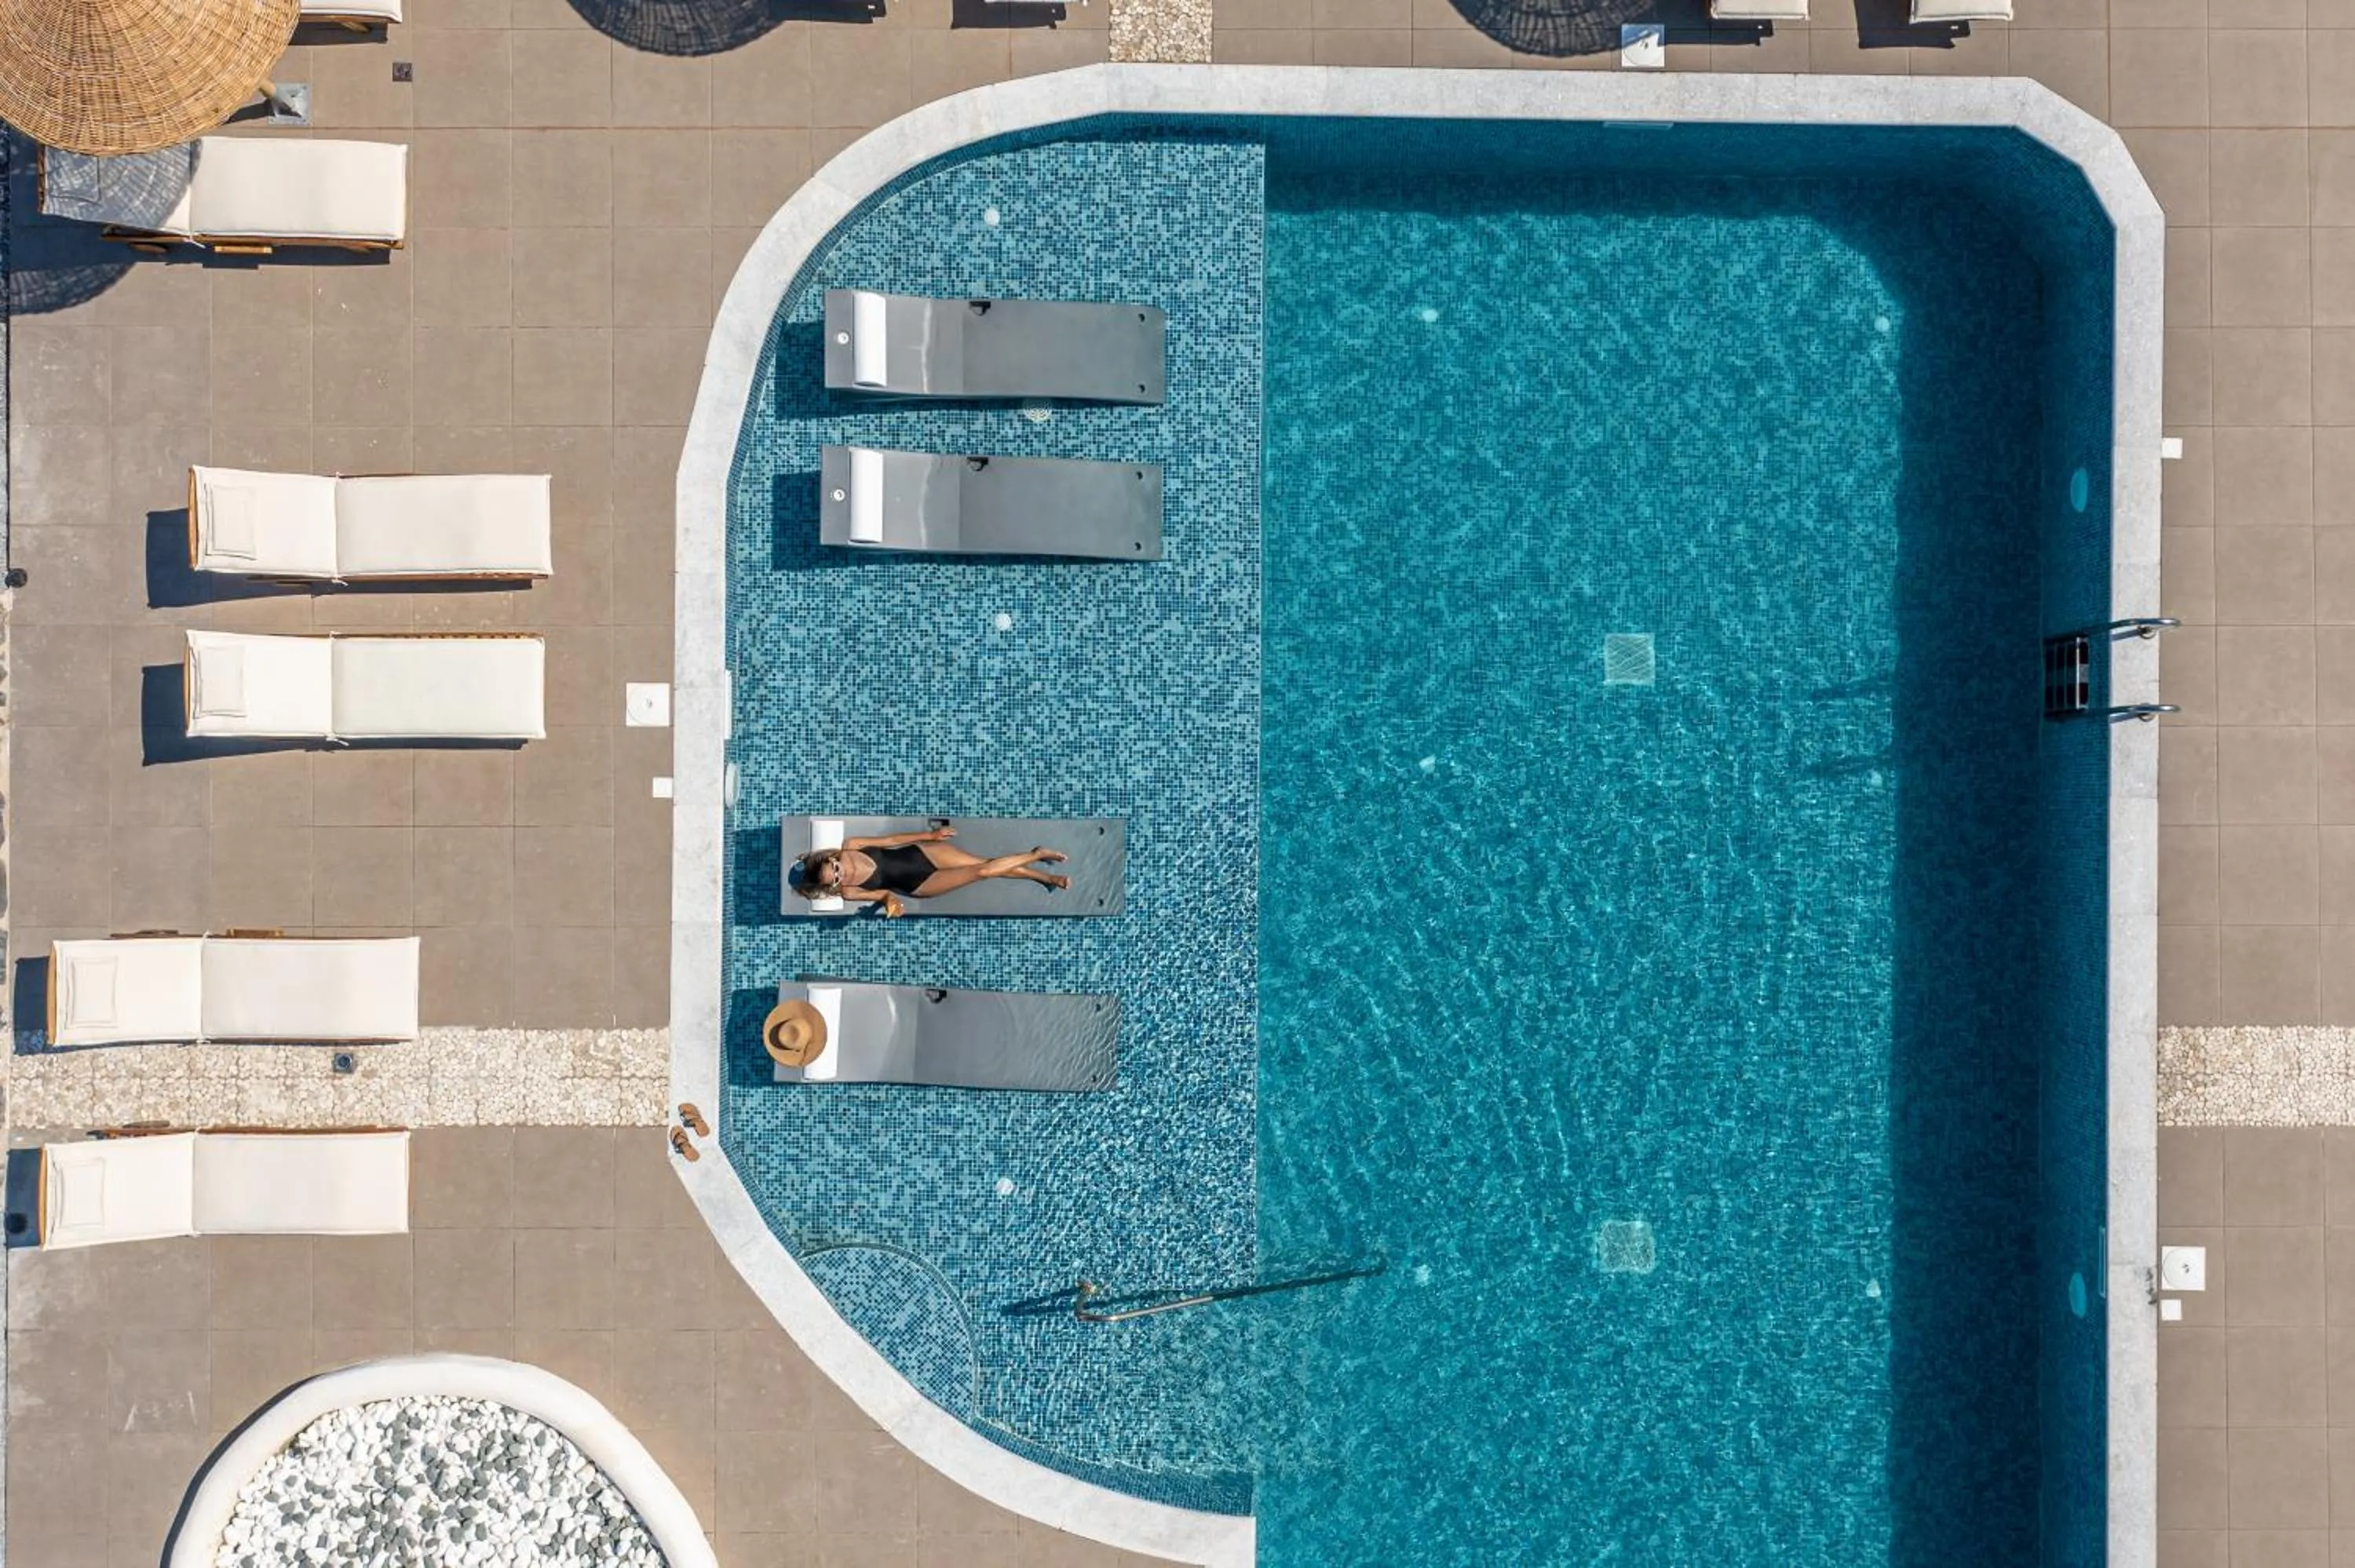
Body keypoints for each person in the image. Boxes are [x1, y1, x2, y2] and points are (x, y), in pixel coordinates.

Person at [794, 825, 1067, 917]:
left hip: (920, 853)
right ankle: (1037, 856)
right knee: (983, 871)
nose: (841, 875)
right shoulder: (850, 893)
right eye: (836, 880)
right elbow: (883, 895)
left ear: (831, 859)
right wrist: (891, 904)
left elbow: (891, 841)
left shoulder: (851, 845)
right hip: (921, 883)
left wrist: (930, 834)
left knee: (986, 863)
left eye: (836, 869)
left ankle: (1045, 876)